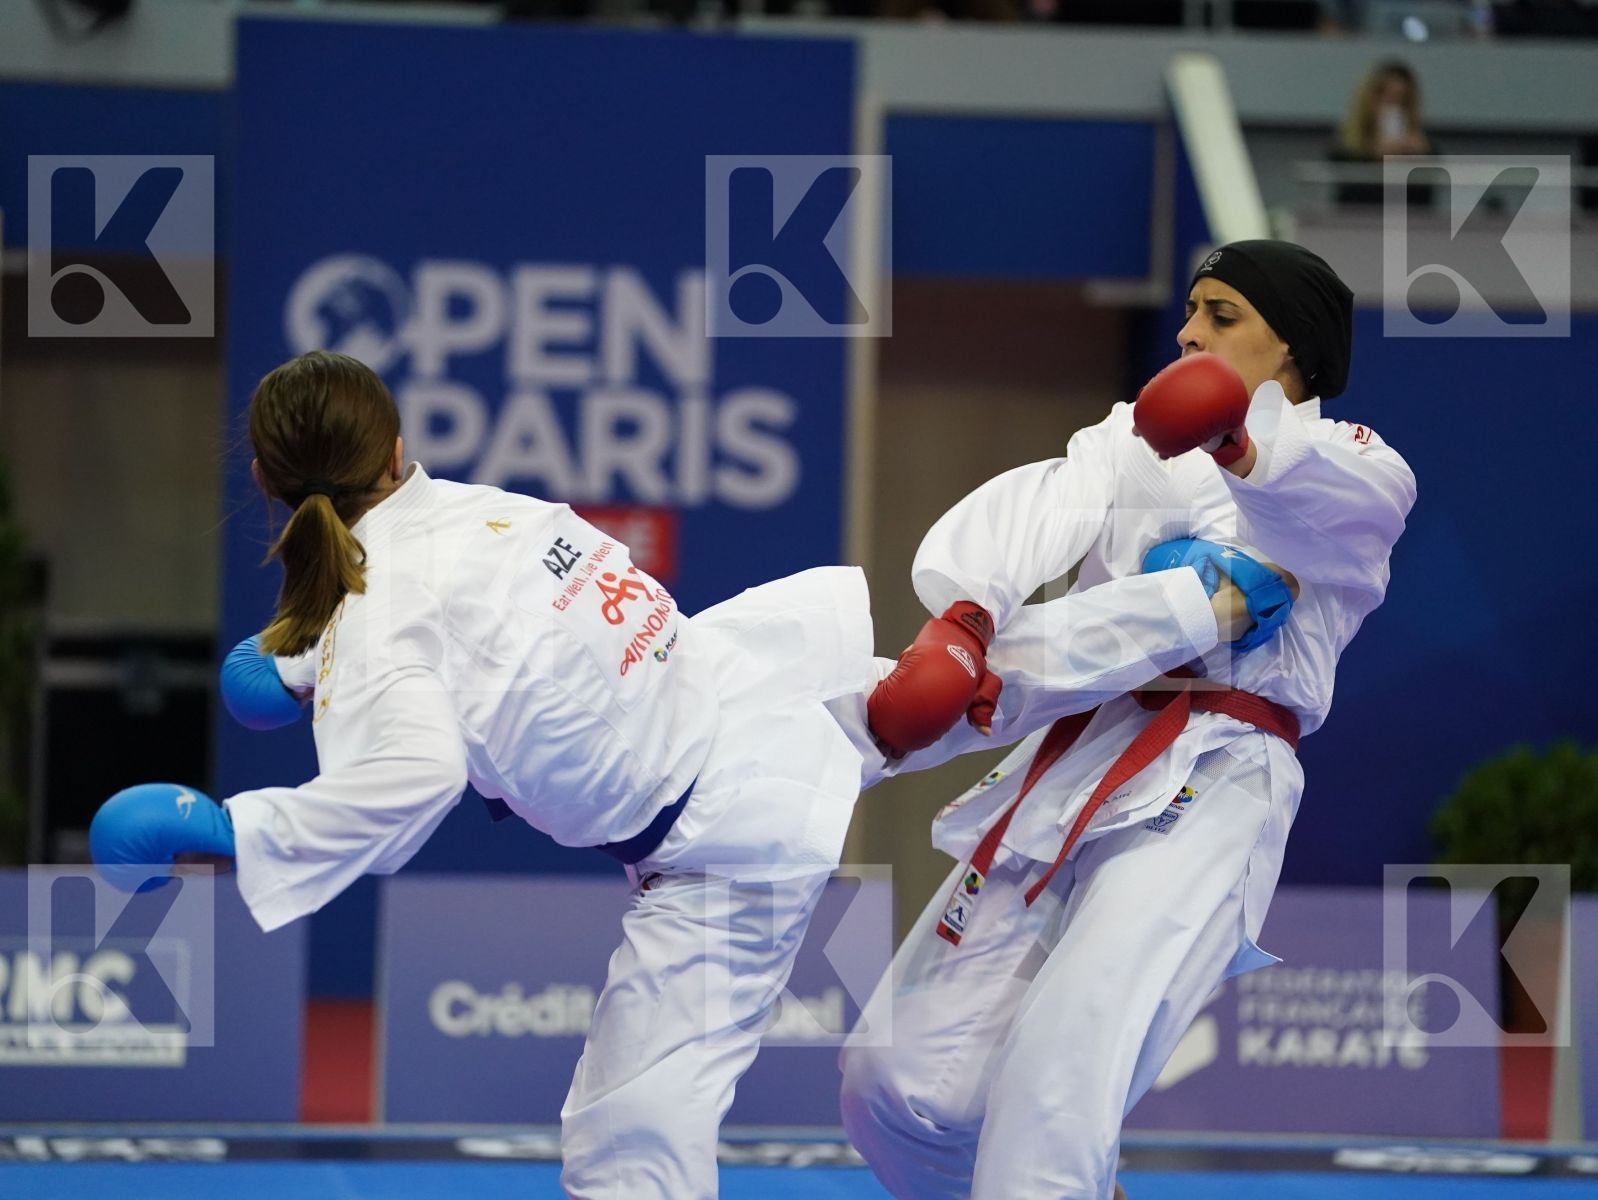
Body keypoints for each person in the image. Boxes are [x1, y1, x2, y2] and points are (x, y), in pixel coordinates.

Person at [89, 349, 1295, 1200]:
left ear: (264, 483)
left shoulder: (377, 614)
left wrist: (228, 829)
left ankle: (1194, 596)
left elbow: (406, 776)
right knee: (965, 681)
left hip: (715, 839)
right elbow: (457, 639)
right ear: (397, 448)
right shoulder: (474, 515)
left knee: (629, 1135)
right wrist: (305, 667)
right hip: (738, 690)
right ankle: (1201, 594)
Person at [838, 240, 1417, 1200]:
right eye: (1191, 310)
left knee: (1062, 1074)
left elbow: (1307, 504)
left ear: (1292, 347)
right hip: (1079, 753)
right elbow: (1047, 506)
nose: (1189, 330)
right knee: (891, 1085)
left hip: (1218, 776)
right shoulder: (1130, 438)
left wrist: (1236, 443)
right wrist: (968, 615)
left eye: (1222, 315)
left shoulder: (1354, 469)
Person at [1328, 59, 1435, 207]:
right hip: (1356, 223)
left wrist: (1420, 157)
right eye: (1387, 97)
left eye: (1402, 99)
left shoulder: (1421, 142)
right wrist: (1373, 156)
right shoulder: (1345, 145)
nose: (1393, 106)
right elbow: (1342, 177)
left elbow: (1426, 196)